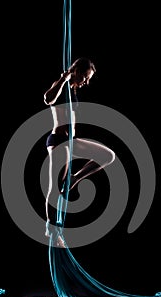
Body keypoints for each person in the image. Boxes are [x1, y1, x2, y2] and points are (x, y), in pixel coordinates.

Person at [44, 57, 115, 247]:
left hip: (72, 142)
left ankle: (75, 178)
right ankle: (52, 230)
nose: (86, 81)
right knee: (55, 188)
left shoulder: (73, 90)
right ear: (75, 71)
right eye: (85, 76)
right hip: (59, 142)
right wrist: (64, 78)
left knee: (108, 156)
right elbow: (48, 99)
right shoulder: (62, 85)